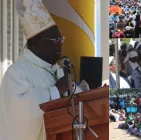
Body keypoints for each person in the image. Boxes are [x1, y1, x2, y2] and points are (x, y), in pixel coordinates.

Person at [0, 0, 83, 139]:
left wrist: (96, 93)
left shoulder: (58, 70)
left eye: (61, 39)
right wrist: (56, 91)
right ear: (37, 42)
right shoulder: (17, 73)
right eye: (55, 40)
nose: (60, 44)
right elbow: (21, 117)